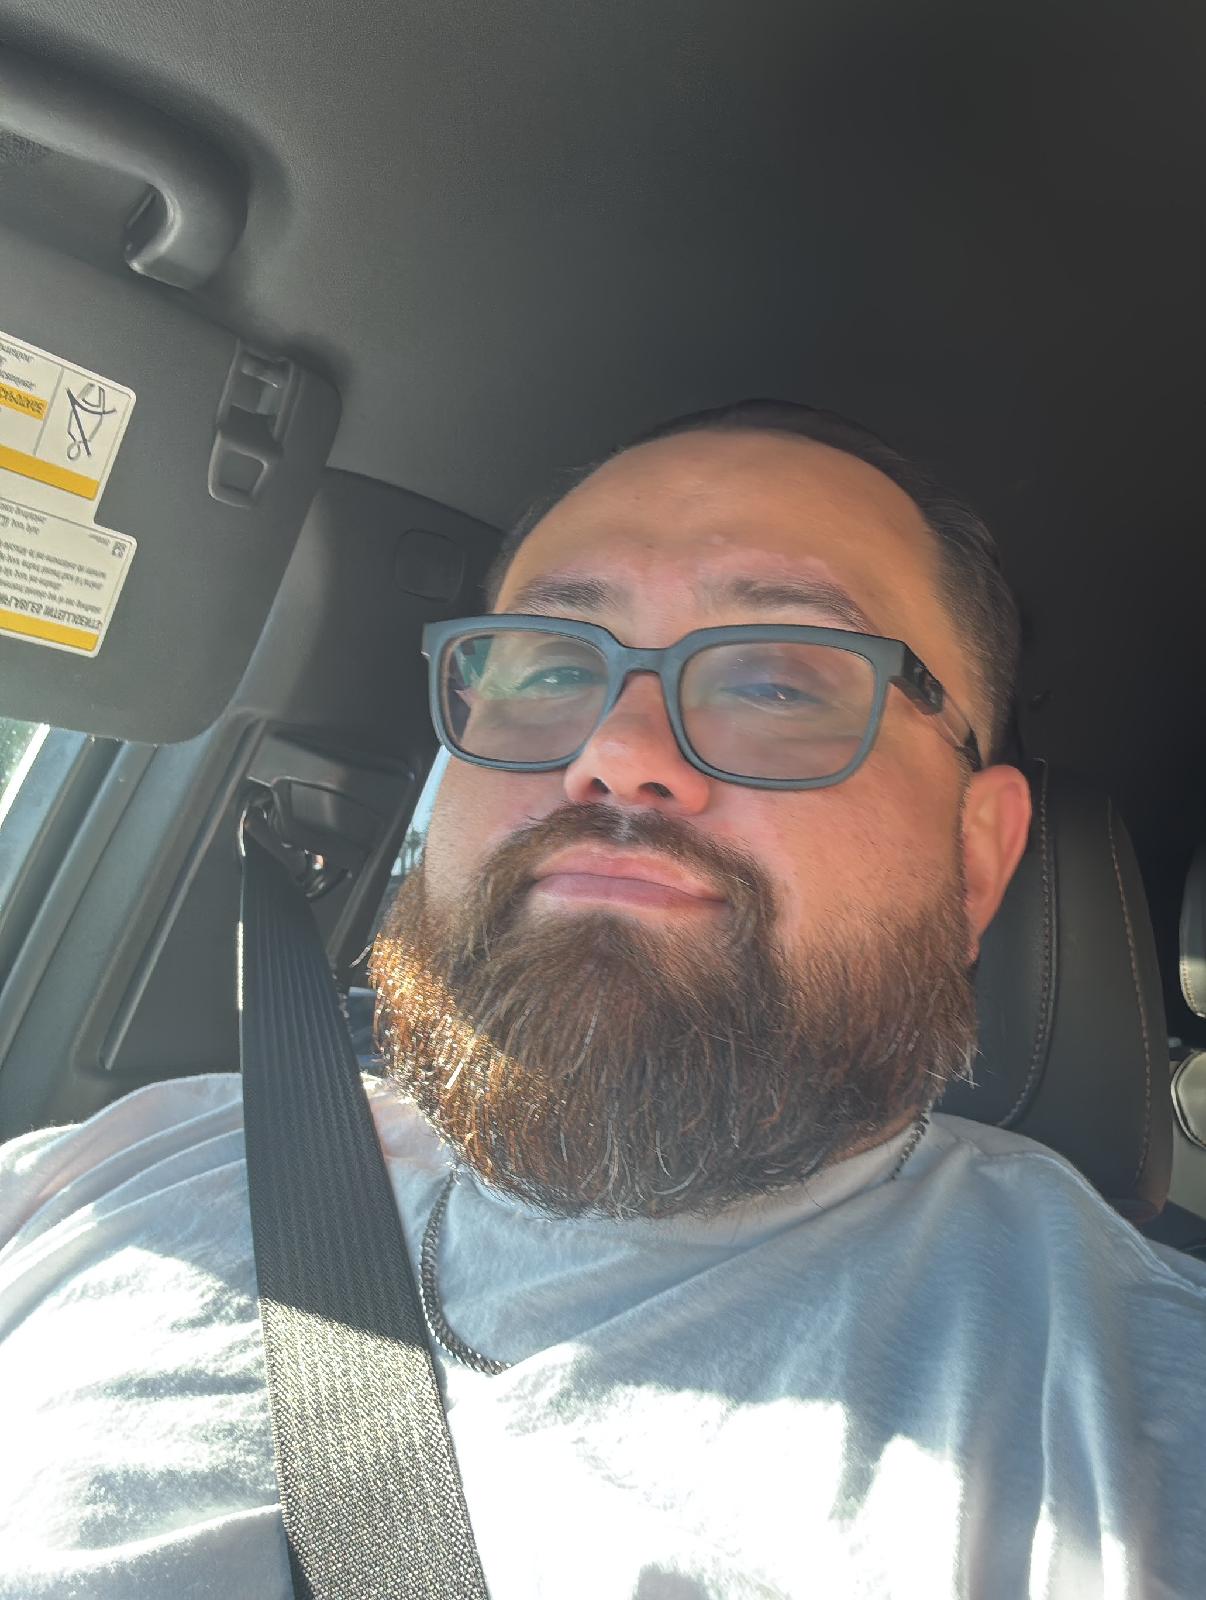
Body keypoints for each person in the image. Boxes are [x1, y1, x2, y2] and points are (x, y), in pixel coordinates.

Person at [1, 401, 1203, 1599]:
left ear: (977, 859)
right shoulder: (111, 1175)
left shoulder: (1128, 1431)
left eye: (780, 683)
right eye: (548, 667)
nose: (616, 752)